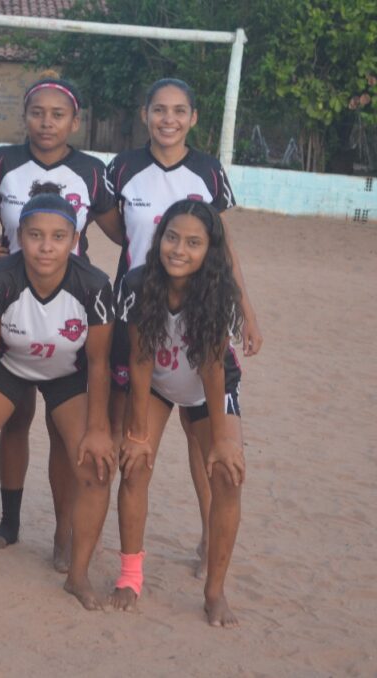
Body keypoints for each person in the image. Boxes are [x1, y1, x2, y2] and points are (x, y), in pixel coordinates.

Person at [107, 78, 262, 577]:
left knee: (207, 446)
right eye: (159, 109)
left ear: (193, 118)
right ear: (144, 114)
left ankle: (208, 541)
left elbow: (222, 246)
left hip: (198, 310)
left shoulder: (208, 172)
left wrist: (245, 309)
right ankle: (116, 558)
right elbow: (108, 226)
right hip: (142, 310)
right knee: (129, 438)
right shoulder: (122, 169)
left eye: (179, 111)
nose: (168, 119)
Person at [0, 183, 116, 611]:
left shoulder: (94, 285)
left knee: (95, 469)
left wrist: (98, 430)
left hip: (67, 373)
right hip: (9, 366)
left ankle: (76, 572)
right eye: (35, 235)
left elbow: (98, 363)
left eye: (58, 237)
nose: (46, 247)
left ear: (75, 240)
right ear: (20, 236)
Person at [0, 76, 123, 571]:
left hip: (68, 307)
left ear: (74, 121)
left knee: (64, 435)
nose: (46, 123)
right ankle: (9, 524)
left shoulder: (91, 171)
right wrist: (1, 247)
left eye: (57, 115)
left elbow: (124, 231)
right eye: (37, 112)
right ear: (25, 115)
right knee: (14, 420)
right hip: (12, 298)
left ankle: (64, 535)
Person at [111, 199, 245, 627]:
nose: (179, 250)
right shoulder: (138, 282)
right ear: (159, 238)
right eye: (172, 237)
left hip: (209, 388)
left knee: (227, 476)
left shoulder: (220, 292)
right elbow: (140, 359)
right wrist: (137, 434)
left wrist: (220, 441)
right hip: (157, 381)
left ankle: (215, 591)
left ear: (210, 249)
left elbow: (212, 368)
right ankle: (130, 576)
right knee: (134, 466)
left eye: (193, 242)